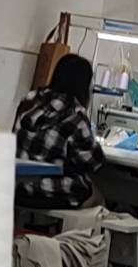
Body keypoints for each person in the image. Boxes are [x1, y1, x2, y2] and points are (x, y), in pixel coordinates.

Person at [14, 54, 104, 208]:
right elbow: (93, 162)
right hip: (49, 190)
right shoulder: (75, 115)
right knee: (97, 198)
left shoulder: (30, 100)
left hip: (17, 185)